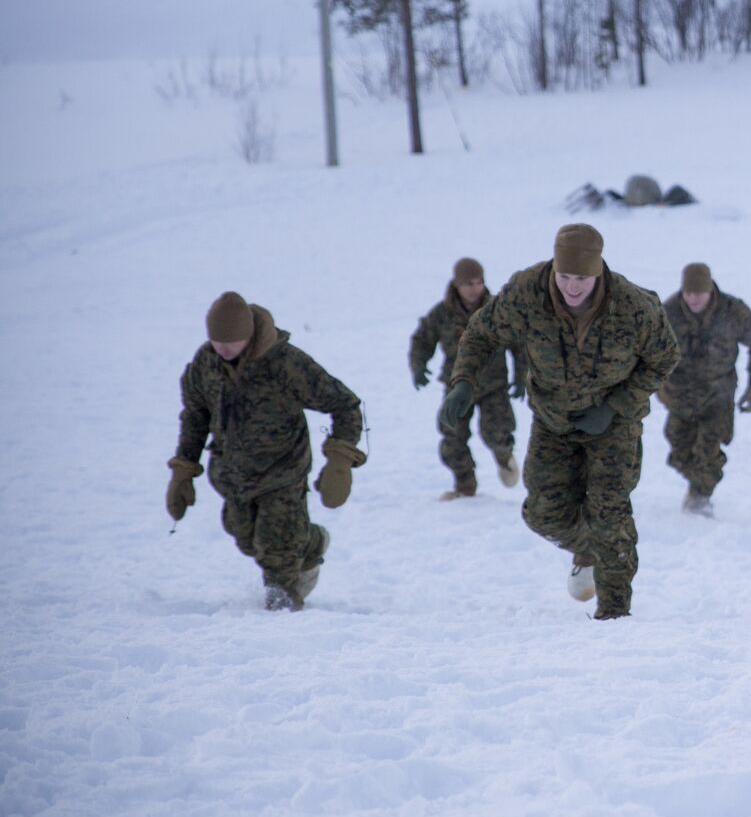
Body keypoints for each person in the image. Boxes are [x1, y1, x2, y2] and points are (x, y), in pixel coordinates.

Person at [440, 224, 681, 621]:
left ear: (598, 271)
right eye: (564, 276)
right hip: (553, 420)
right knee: (542, 514)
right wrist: (463, 382)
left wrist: (617, 404)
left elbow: (665, 357)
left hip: (613, 425)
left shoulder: (633, 306)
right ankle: (590, 550)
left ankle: (615, 614)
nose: (572, 287)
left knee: (610, 512)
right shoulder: (527, 292)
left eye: (582, 278)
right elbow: (481, 334)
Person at [169, 291, 365, 611]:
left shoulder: (285, 363)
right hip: (233, 474)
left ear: (249, 333)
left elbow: (345, 404)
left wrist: (340, 460)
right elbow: (195, 416)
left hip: (283, 469)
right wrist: (183, 470)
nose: (224, 348)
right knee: (246, 538)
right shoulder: (205, 365)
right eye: (218, 341)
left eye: (232, 340)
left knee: (277, 549)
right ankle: (311, 541)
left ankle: (282, 605)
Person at [658, 262, 751, 517]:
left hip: (717, 396)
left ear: (710, 290)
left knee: (708, 451)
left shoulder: (733, 312)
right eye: (688, 293)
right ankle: (697, 483)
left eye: (699, 293)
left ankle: (700, 497)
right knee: (679, 450)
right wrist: (657, 387)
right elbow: (647, 352)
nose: (693, 298)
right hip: (679, 397)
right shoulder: (668, 313)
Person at [410, 257, 525, 500]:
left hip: (494, 385)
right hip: (457, 388)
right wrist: (418, 366)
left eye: (479, 282)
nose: (474, 289)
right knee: (452, 437)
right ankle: (465, 486)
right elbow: (422, 340)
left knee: (497, 432)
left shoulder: (498, 310)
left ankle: (504, 457)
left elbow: (520, 343)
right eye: (468, 284)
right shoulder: (441, 314)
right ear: (456, 285)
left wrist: (522, 375)